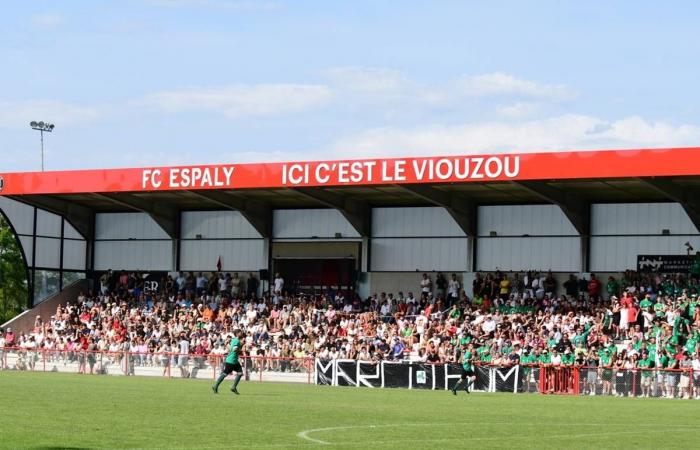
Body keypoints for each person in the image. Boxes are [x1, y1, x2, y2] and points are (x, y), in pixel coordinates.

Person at [212, 329, 245, 395]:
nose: (241, 333)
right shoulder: (236, 340)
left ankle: (233, 387)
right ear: (237, 333)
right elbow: (235, 349)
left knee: (240, 373)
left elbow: (231, 349)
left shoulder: (234, 340)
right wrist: (240, 349)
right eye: (240, 332)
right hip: (231, 360)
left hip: (234, 360)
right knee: (225, 374)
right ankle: (215, 386)